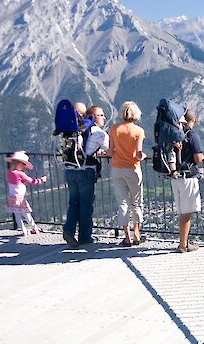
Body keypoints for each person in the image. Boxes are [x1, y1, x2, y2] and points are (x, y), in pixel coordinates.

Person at [62, 102, 109, 247]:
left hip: (70, 169)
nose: (104, 118)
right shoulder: (98, 132)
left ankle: (69, 230)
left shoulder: (71, 129)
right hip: (86, 170)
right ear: (93, 116)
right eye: (101, 115)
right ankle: (85, 237)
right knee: (86, 205)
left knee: (73, 203)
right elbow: (109, 150)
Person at [108, 101, 146, 246]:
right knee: (136, 202)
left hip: (117, 169)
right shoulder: (138, 131)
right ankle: (137, 233)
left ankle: (127, 236)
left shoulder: (114, 129)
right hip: (133, 169)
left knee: (122, 203)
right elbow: (138, 154)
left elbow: (111, 151)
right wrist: (143, 156)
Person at [171, 109, 204, 253]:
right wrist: (202, 156)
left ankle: (184, 241)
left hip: (175, 176)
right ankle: (183, 245)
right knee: (187, 213)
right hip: (188, 177)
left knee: (182, 211)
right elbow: (197, 158)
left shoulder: (174, 135)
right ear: (194, 120)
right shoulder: (192, 135)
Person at [4, 151, 47, 235]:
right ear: (18, 164)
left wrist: (19, 153)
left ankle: (24, 230)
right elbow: (32, 181)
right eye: (23, 164)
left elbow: (16, 181)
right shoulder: (21, 174)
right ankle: (35, 228)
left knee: (17, 216)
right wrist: (41, 180)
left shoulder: (9, 172)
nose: (24, 166)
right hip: (20, 198)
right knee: (27, 214)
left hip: (12, 197)